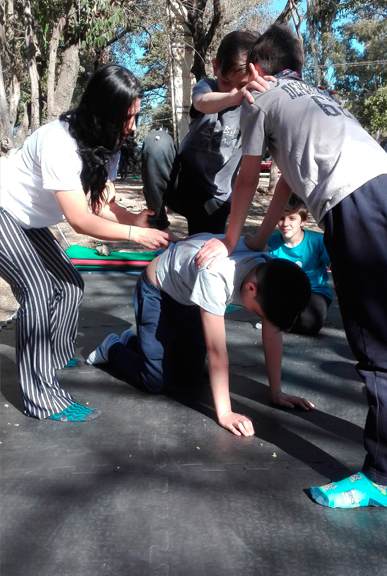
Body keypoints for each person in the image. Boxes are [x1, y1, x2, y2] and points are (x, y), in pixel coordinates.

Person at [192, 24, 387, 508]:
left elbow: (248, 179)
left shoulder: (262, 99)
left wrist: (228, 241)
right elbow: (284, 181)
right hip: (386, 185)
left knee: (372, 341)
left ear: (256, 71)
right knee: (386, 327)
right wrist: (257, 242)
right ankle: (386, 460)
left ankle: (382, 476)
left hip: (353, 199)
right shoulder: (311, 93)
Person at [0, 64, 173, 422]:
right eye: (127, 117)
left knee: (69, 284)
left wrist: (133, 219)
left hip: (29, 219)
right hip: (4, 209)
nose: (133, 126)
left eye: (136, 116)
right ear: (103, 112)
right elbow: (80, 221)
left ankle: (57, 354)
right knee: (38, 289)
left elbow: (98, 206)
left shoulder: (106, 145)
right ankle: (41, 397)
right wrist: (134, 235)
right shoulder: (58, 142)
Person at [87, 234, 315, 435]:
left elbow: (272, 331)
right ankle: (114, 347)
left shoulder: (272, 269)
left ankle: (135, 342)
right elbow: (217, 352)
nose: (260, 317)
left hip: (190, 298)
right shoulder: (216, 276)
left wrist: (276, 391)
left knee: (190, 376)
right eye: (258, 313)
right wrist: (225, 413)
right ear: (251, 289)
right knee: (155, 381)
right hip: (158, 293)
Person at [139, 30, 259, 234]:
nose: (233, 90)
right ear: (215, 67)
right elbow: (201, 102)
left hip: (214, 198)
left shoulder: (256, 105)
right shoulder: (207, 87)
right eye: (226, 81)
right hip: (182, 180)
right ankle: (158, 224)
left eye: (241, 85)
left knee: (203, 256)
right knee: (156, 141)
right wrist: (234, 97)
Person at [266, 195, 333, 335]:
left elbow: (337, 268)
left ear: (303, 221)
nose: (285, 223)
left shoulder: (317, 241)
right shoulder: (270, 243)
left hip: (314, 292)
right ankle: (282, 319)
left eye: (292, 218)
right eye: (281, 218)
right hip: (285, 293)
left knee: (309, 323)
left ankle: (283, 321)